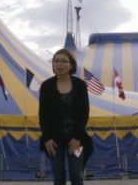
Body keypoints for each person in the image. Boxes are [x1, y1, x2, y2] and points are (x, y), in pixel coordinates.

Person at [39, 48, 93, 185]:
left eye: (64, 61)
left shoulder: (80, 86)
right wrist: (47, 138)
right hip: (54, 140)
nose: (59, 64)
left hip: (77, 139)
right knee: (58, 177)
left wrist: (77, 138)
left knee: (76, 176)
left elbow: (84, 113)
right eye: (56, 61)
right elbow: (43, 115)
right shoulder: (46, 86)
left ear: (71, 65)